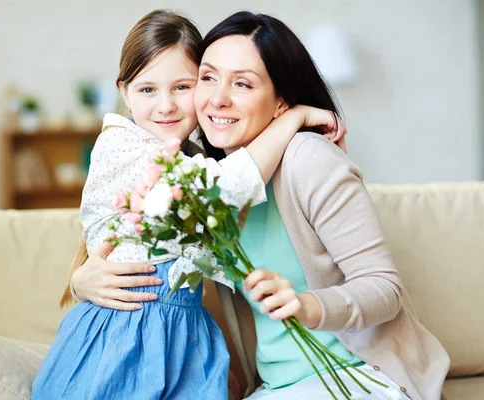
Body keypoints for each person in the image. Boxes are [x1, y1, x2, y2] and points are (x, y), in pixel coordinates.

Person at [71, 11, 450, 400]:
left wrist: (306, 306)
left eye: (243, 83)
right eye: (208, 78)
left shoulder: (307, 157)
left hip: (359, 376)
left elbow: (385, 288)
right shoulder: (202, 179)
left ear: (280, 99)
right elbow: (127, 236)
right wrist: (80, 281)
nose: (218, 98)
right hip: (275, 388)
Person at [32, 10, 345, 400]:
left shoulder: (194, 155)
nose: (165, 106)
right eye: (148, 90)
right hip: (126, 332)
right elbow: (228, 186)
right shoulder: (122, 143)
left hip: (180, 330)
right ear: (124, 91)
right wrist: (294, 116)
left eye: (183, 87)